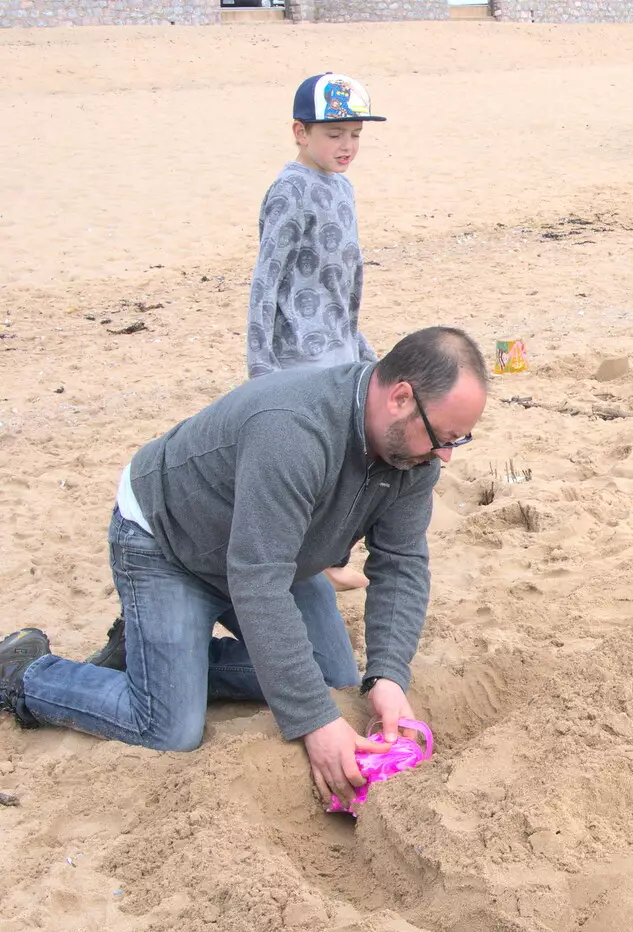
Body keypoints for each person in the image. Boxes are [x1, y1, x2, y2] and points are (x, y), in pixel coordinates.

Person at [0, 328, 490, 808]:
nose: (445, 455)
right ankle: (25, 671)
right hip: (168, 542)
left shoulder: (414, 457)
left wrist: (386, 675)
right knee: (170, 727)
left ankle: (157, 655)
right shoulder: (294, 429)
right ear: (401, 398)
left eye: (458, 440)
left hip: (268, 554)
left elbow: (401, 563)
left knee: (336, 684)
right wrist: (316, 724)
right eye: (443, 437)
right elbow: (258, 581)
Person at [250, 72, 390, 591]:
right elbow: (266, 283)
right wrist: (260, 370)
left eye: (355, 133)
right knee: (317, 464)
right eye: (334, 134)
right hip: (298, 358)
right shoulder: (289, 190)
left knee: (355, 456)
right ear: (300, 132)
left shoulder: (342, 186)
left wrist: (361, 347)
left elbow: (346, 282)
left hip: (341, 348)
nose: (347, 145)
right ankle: (316, 561)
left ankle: (328, 556)